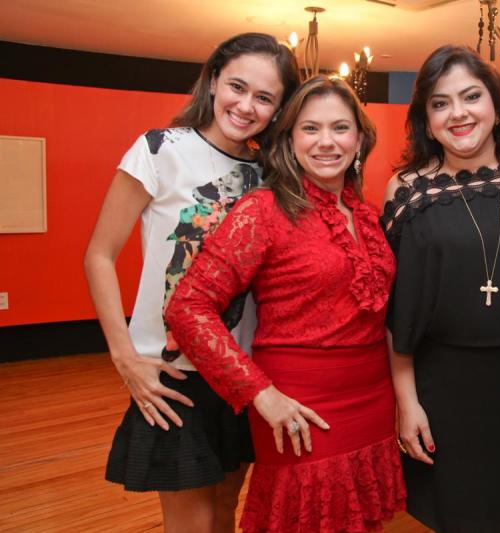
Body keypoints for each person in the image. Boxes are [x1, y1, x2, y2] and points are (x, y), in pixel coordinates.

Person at [164, 75, 406, 533]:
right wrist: (261, 393)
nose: (326, 141)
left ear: (359, 139)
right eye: (310, 128)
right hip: (299, 403)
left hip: (373, 397)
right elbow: (187, 307)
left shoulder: (367, 214)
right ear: (290, 141)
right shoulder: (263, 210)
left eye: (340, 127)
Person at [84, 33, 299, 532]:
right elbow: (99, 255)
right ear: (214, 80)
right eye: (237, 87)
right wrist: (124, 357)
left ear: (279, 109)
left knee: (225, 509)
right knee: (191, 522)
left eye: (264, 97)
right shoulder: (161, 149)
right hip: (172, 374)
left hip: (243, 373)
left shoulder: (270, 174)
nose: (246, 106)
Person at [381, 45, 500, 532]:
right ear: (426, 121)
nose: (458, 113)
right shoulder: (408, 189)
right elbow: (397, 309)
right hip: (447, 390)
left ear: (496, 104)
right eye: (440, 103)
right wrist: (407, 402)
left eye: (471, 96)